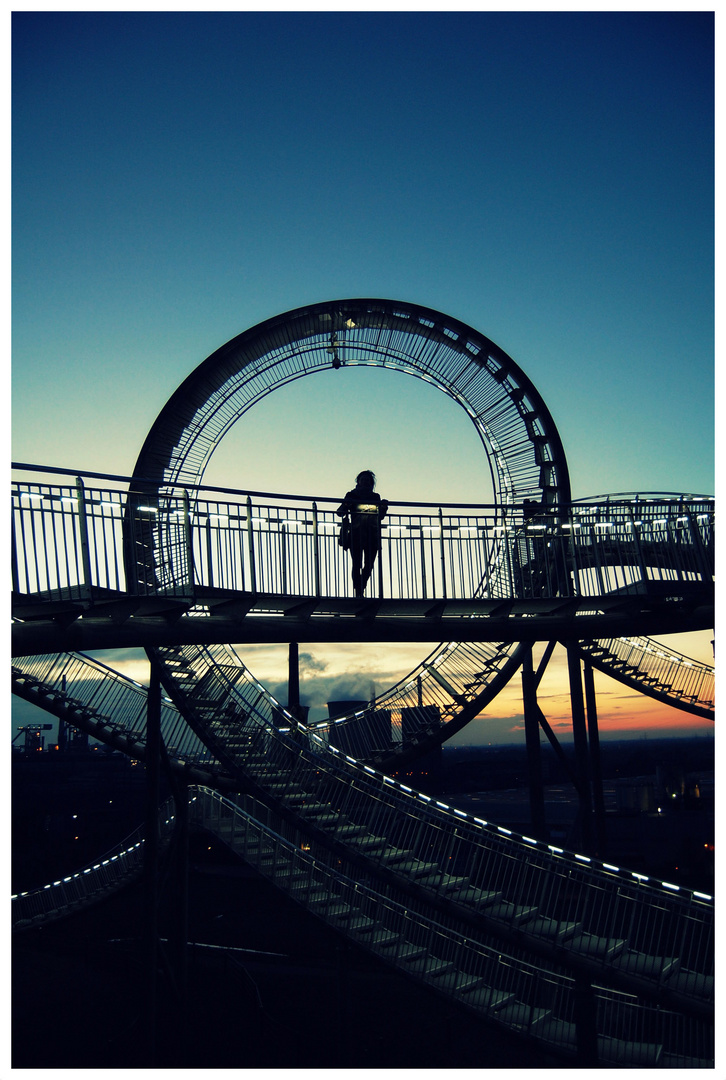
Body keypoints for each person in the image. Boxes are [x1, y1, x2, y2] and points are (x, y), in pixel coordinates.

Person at [336, 471, 388, 597]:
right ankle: (359, 591)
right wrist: (346, 503)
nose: (365, 482)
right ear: (358, 482)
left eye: (367, 480)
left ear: (371, 483)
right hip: (356, 534)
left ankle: (361, 587)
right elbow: (340, 512)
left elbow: (379, 517)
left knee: (369, 564)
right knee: (357, 564)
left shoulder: (375, 497)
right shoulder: (351, 495)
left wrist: (384, 508)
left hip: (372, 534)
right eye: (362, 479)